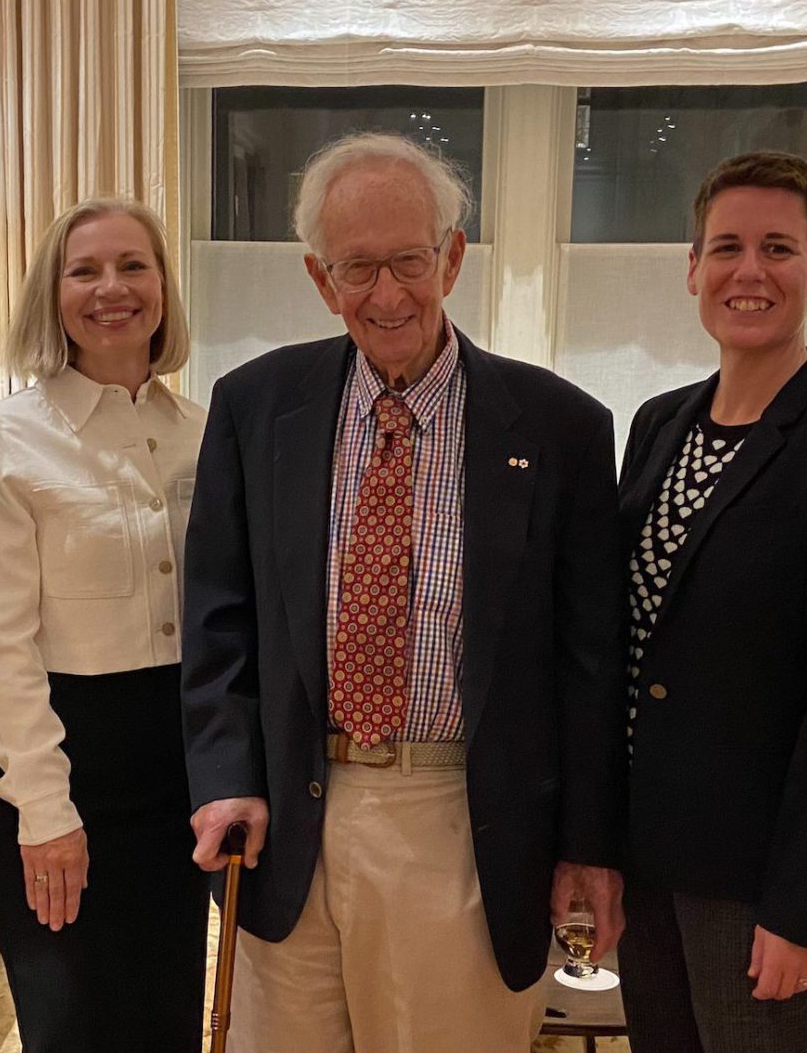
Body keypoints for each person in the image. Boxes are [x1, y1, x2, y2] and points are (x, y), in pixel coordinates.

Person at [181, 132, 628, 1052]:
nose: (386, 295)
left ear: (452, 258)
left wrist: (586, 842)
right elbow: (220, 617)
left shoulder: (560, 426)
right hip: (290, 824)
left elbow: (588, 658)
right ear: (321, 278)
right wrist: (226, 778)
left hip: (460, 819)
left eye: (409, 262)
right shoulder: (255, 405)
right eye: (357, 268)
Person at [614, 151, 807, 1051]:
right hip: (647, 858)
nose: (749, 271)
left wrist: (806, 906)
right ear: (693, 269)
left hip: (760, 882)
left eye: (778, 248)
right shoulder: (659, 422)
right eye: (727, 248)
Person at [0, 196, 207, 1051]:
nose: (112, 288)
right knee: (74, 1027)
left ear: (163, 285)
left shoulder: (204, 433)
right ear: (52, 295)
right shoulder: (5, 440)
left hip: (179, 779)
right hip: (61, 770)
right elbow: (0, 645)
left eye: (134, 265)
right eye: (84, 270)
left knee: (167, 1021)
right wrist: (46, 809)